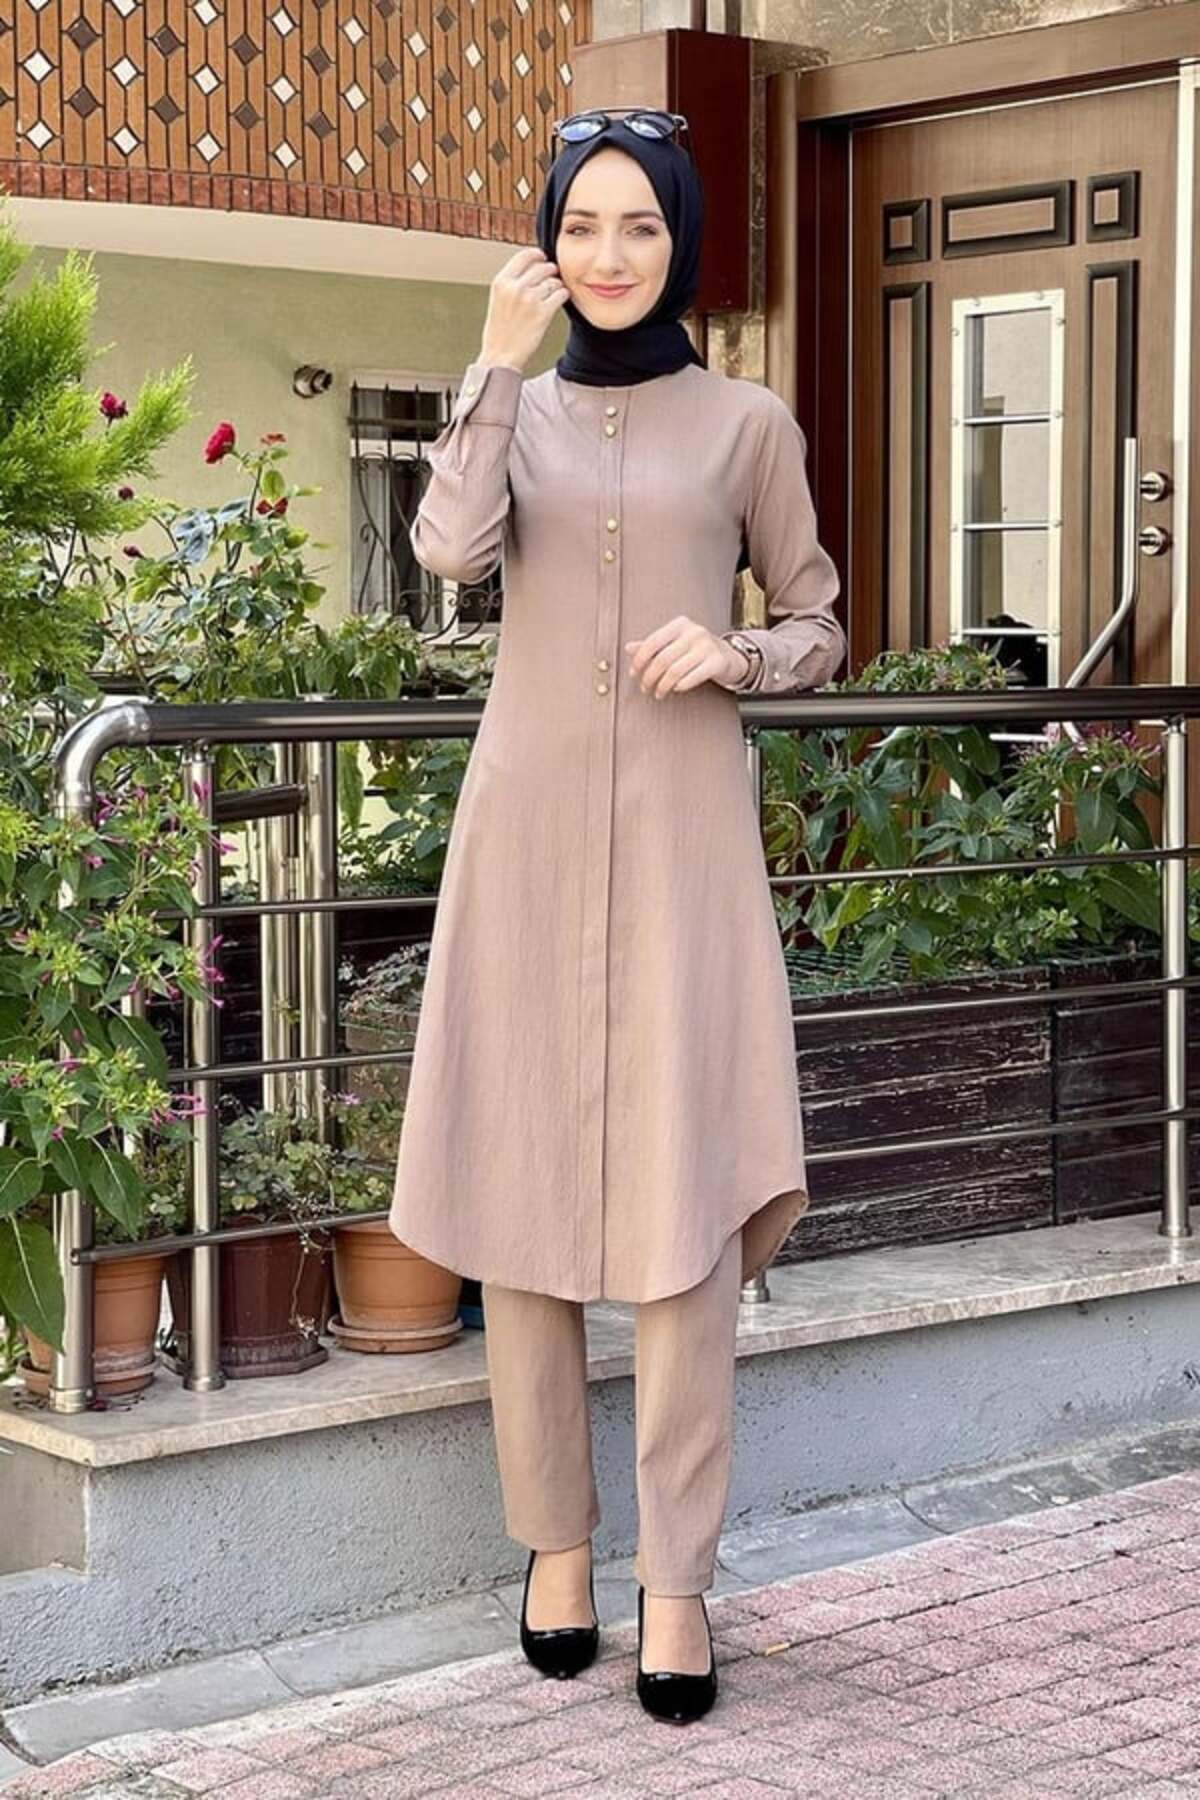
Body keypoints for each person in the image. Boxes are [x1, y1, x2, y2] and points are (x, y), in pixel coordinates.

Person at [389, 107, 846, 1724]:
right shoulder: (507, 406)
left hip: (682, 854)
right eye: (580, 224)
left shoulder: (748, 424)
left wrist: (739, 653)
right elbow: (446, 553)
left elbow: (819, 618)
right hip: (521, 847)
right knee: (521, 1202)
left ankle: (677, 1585)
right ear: (546, 243)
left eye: (639, 224)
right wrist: (490, 367)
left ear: (681, 241)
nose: (607, 253)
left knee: (682, 1221)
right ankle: (556, 1552)